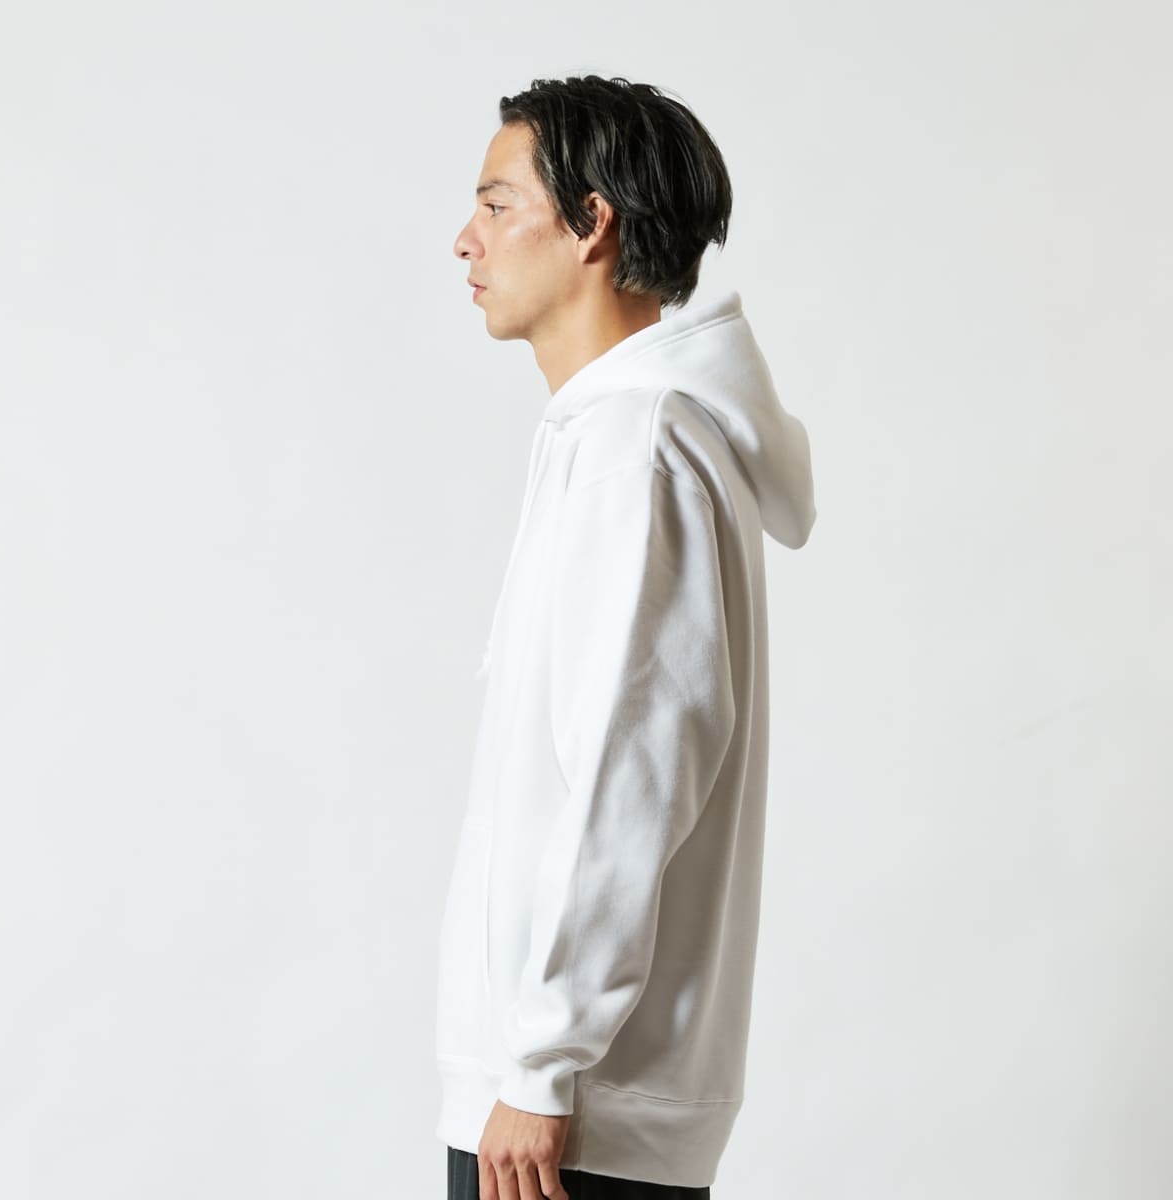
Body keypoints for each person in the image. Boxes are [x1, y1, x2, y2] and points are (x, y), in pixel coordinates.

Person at [437, 74, 817, 1200]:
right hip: (558, 1097)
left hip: (575, 1114)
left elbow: (633, 772)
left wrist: (543, 1065)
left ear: (592, 222)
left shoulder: (635, 449)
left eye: (497, 204)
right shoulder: (606, 439)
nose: (466, 241)